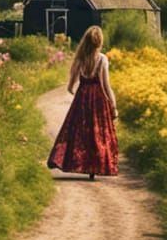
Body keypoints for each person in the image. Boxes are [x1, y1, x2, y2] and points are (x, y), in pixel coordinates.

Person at [47, 25, 118, 179]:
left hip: (82, 98)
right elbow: (106, 86)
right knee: (97, 133)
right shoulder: (102, 59)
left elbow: (71, 87)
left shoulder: (80, 59)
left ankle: (75, 162)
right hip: (99, 100)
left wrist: (80, 95)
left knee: (78, 132)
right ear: (99, 42)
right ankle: (94, 166)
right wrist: (113, 105)